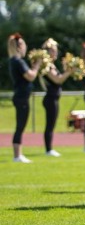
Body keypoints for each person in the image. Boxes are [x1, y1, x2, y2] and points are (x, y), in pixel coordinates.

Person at [8, 34, 41, 163]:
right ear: (19, 47)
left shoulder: (14, 61)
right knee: (20, 126)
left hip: (20, 96)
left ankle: (19, 154)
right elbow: (30, 76)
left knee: (20, 126)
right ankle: (17, 155)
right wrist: (37, 65)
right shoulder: (18, 61)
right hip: (21, 97)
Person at [39, 39, 71, 157]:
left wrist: (67, 69)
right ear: (47, 52)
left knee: (51, 124)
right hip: (50, 98)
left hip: (54, 98)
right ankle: (49, 149)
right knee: (50, 124)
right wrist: (69, 71)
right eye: (53, 50)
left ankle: (49, 149)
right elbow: (58, 79)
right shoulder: (46, 65)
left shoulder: (51, 65)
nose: (56, 52)